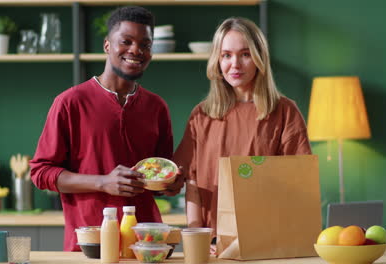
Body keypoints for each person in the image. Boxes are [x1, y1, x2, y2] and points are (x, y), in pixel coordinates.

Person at [30, 6, 184, 251]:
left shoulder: (157, 107)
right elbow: (41, 173)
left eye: (145, 44)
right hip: (92, 243)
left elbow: (158, 177)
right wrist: (102, 182)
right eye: (126, 41)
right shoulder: (70, 102)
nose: (136, 50)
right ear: (107, 45)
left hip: (146, 246)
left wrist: (171, 184)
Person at [173, 17, 312, 243]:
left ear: (259, 59)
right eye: (226, 55)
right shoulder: (202, 114)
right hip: (214, 241)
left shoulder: (285, 111)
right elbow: (193, 185)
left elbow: (298, 182)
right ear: (217, 61)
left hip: (268, 239)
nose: (235, 64)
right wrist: (198, 236)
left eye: (245, 54)